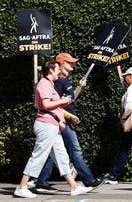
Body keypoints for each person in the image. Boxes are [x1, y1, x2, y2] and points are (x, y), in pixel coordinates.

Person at [14, 60, 92, 198]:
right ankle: (22, 187)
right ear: (50, 71)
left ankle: (74, 187)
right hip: (46, 125)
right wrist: (62, 101)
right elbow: (45, 104)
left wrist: (63, 105)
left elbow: (51, 104)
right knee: (39, 155)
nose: (58, 72)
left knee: (62, 156)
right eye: (57, 70)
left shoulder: (48, 84)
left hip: (52, 125)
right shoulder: (44, 83)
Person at [35, 53, 105, 192]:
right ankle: (89, 180)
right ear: (61, 64)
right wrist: (69, 115)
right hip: (62, 120)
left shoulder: (65, 80)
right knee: (75, 150)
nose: (73, 64)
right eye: (69, 62)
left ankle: (42, 181)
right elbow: (54, 104)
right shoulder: (59, 82)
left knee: (51, 151)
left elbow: (69, 100)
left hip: (63, 119)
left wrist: (80, 87)